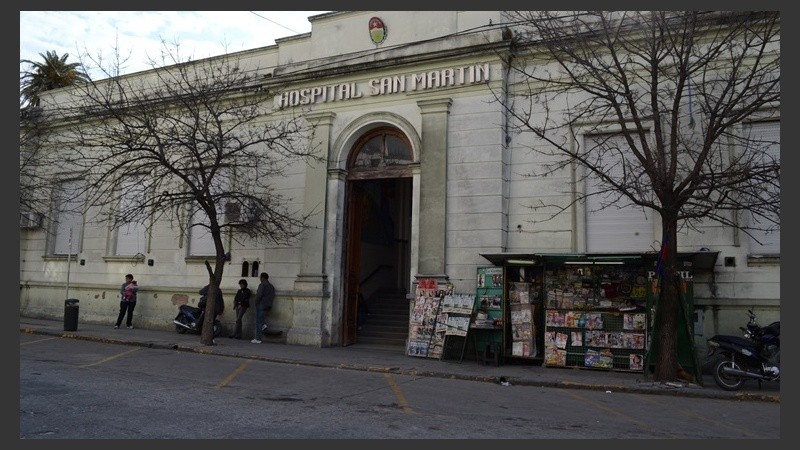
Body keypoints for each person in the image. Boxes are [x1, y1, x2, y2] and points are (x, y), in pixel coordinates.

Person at [251, 272, 275, 344]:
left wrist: (256, 302)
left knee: (259, 322)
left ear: (263, 278)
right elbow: (272, 296)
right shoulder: (271, 286)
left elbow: (259, 295)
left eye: (260, 277)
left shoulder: (262, 285)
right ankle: (264, 325)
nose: (260, 279)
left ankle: (258, 338)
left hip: (261, 304)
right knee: (261, 320)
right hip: (268, 305)